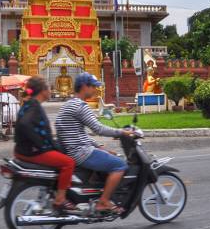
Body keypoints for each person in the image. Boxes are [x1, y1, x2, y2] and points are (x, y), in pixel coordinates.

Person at [55, 73, 131, 215]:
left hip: (74, 150)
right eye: (94, 87)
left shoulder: (69, 104)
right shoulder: (80, 106)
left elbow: (79, 133)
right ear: (85, 86)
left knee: (109, 155)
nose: (96, 90)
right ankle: (104, 202)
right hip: (81, 153)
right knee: (120, 165)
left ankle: (97, 194)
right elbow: (98, 128)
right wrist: (121, 132)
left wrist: (99, 147)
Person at [14, 76, 76, 213]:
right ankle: (60, 199)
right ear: (42, 91)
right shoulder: (34, 106)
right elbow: (24, 124)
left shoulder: (30, 103)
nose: (51, 91)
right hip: (32, 151)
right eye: (49, 88)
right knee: (68, 163)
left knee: (63, 152)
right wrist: (40, 144)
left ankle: (58, 190)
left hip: (23, 149)